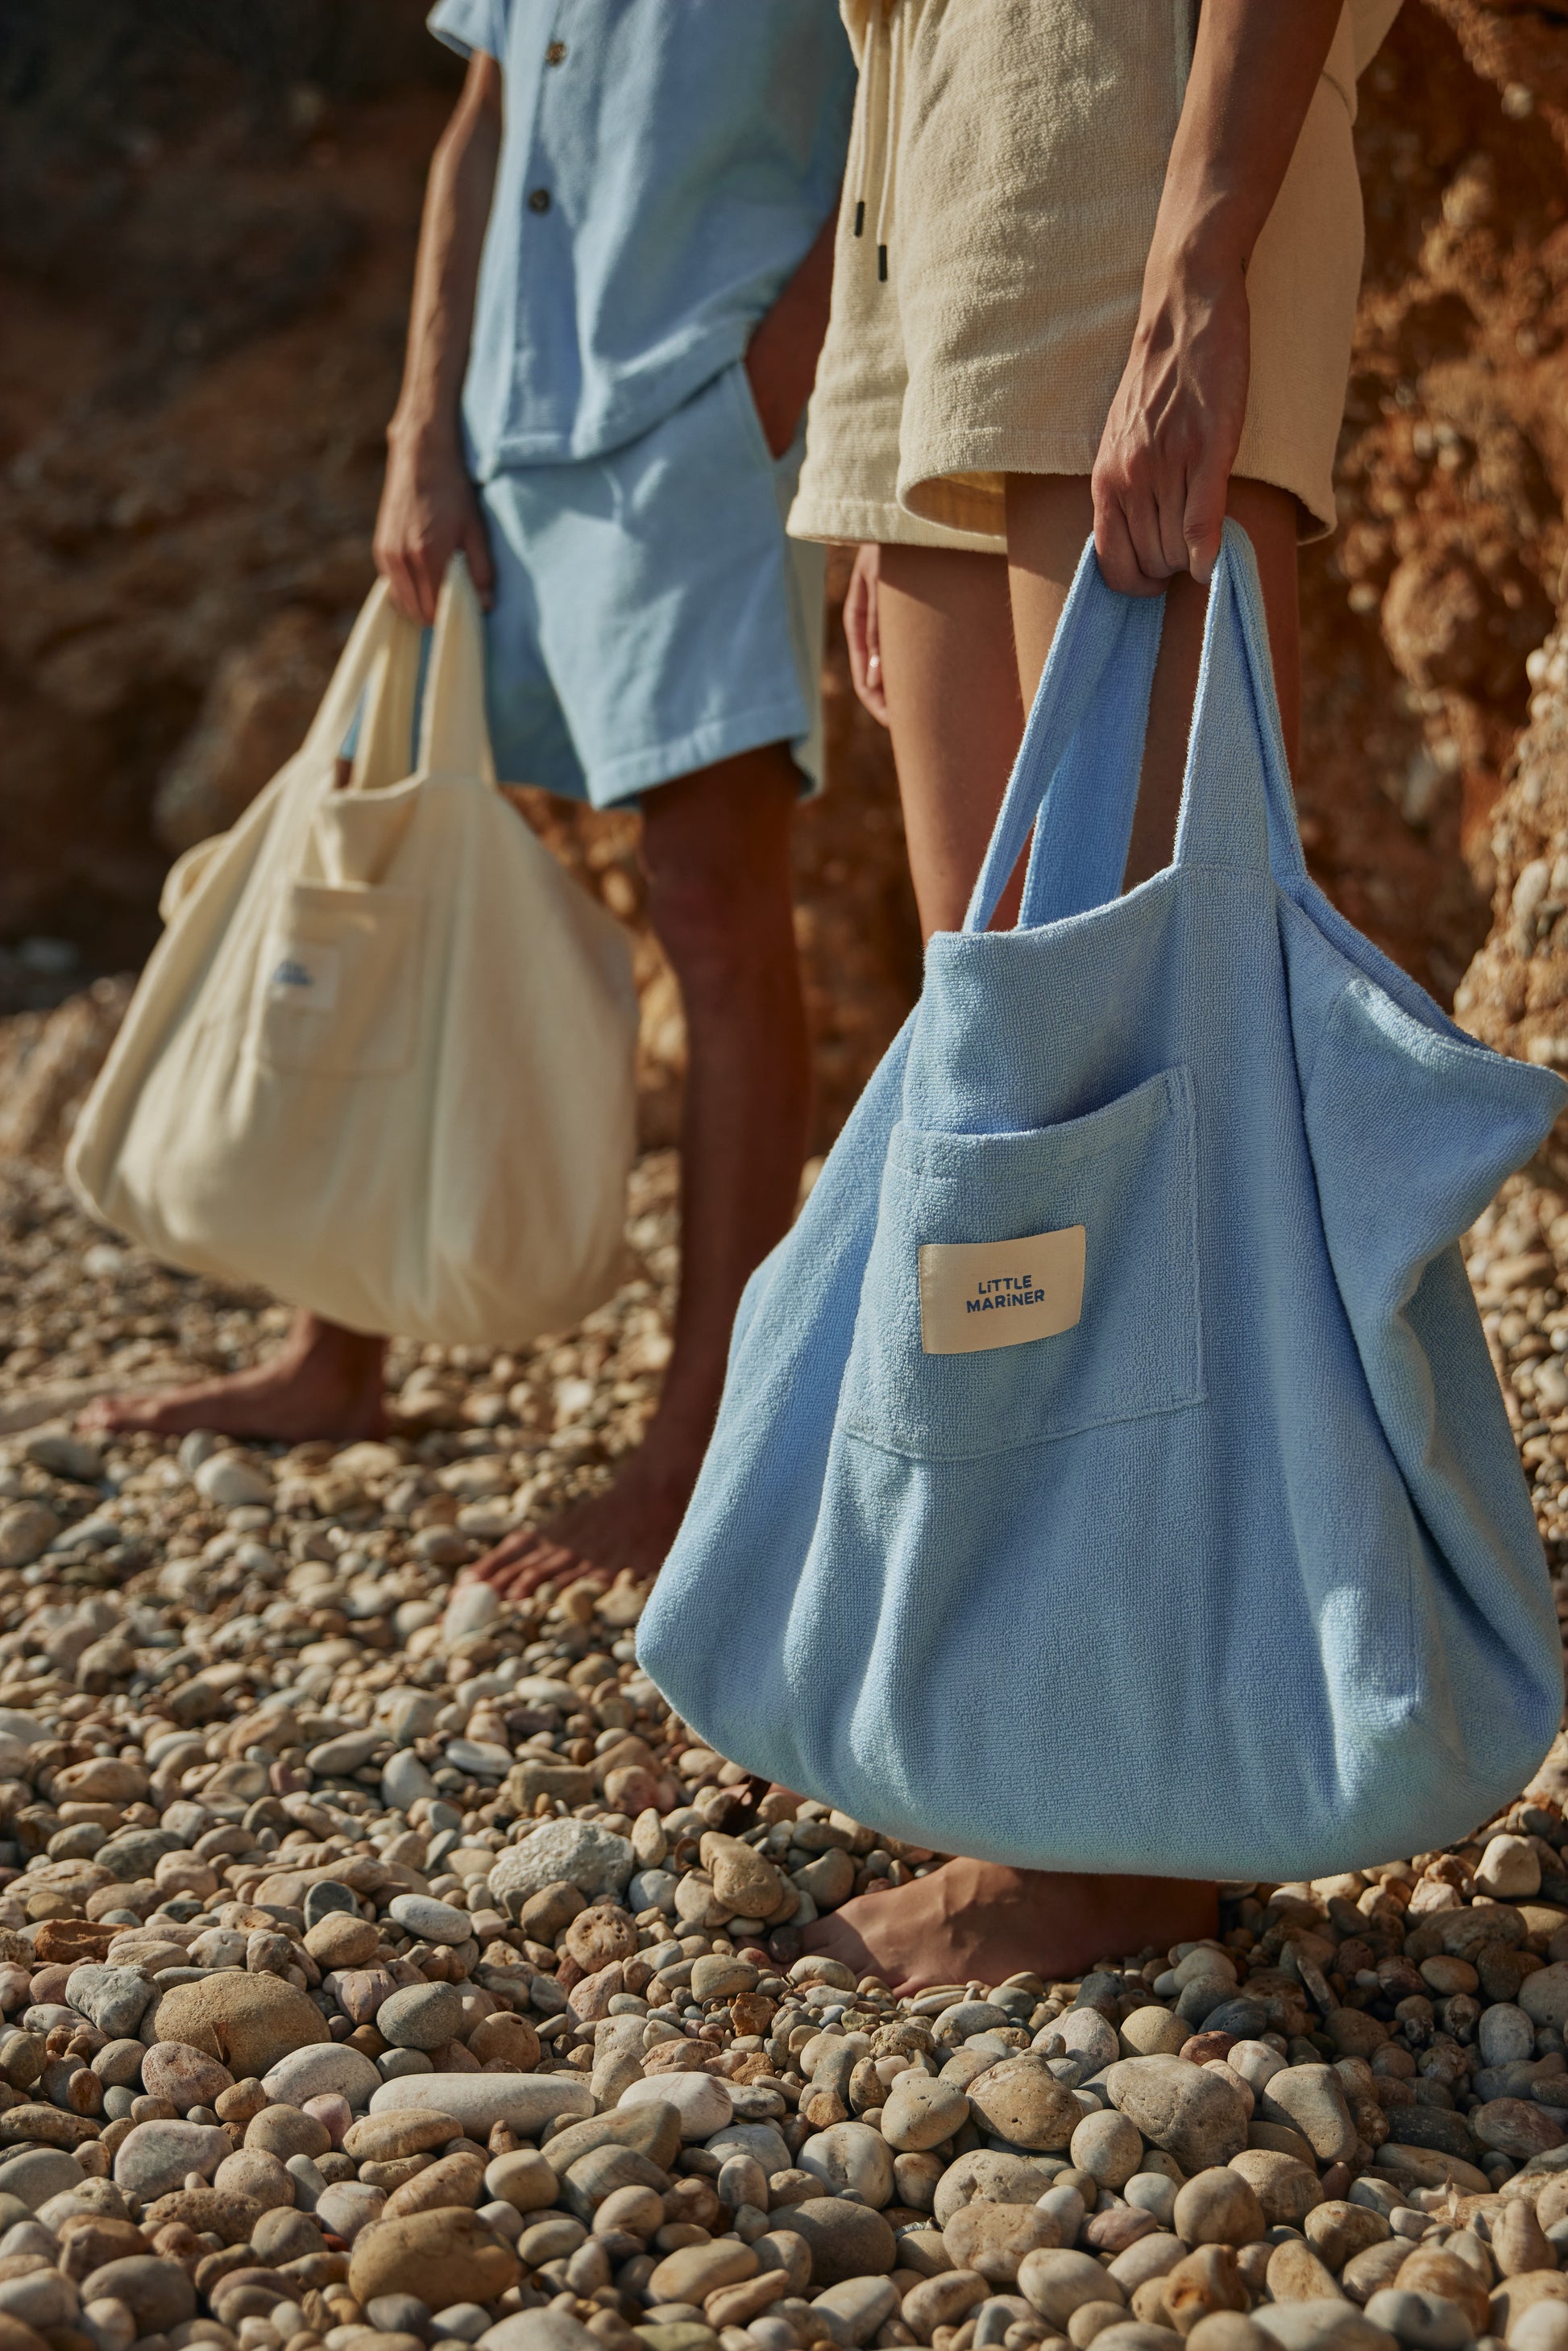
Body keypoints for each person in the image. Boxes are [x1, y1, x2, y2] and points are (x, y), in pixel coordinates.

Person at [778, 0, 1401, 1987]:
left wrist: (1195, 280)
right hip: (949, 255)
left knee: (1138, 1069)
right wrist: (880, 459)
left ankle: (1129, 1830)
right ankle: (1043, 1758)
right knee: (1014, 1108)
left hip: (1131, 196)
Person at [86, 2, 856, 1597]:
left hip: (697, 418)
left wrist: (769, 389)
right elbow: (481, 122)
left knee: (713, 908)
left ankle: (698, 1439)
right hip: (503, 428)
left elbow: (903, 99)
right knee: (392, 827)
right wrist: (417, 427)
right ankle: (335, 1346)